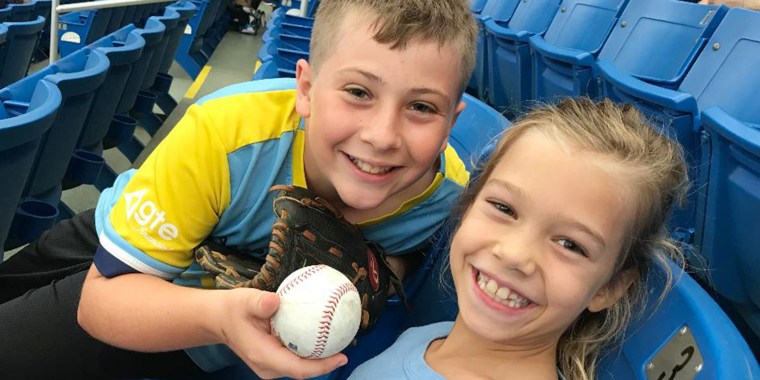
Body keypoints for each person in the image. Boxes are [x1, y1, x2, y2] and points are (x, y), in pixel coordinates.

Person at [0, 0, 477, 378]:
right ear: (306, 90)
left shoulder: (447, 200)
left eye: (421, 107)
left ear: (452, 120)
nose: (382, 135)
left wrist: (387, 263)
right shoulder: (225, 133)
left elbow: (417, 253)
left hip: (191, 320)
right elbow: (103, 298)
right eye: (358, 92)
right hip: (127, 237)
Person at [349, 97, 690, 380]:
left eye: (570, 244)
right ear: (468, 206)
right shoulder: (428, 337)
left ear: (610, 287)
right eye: (504, 208)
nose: (514, 254)